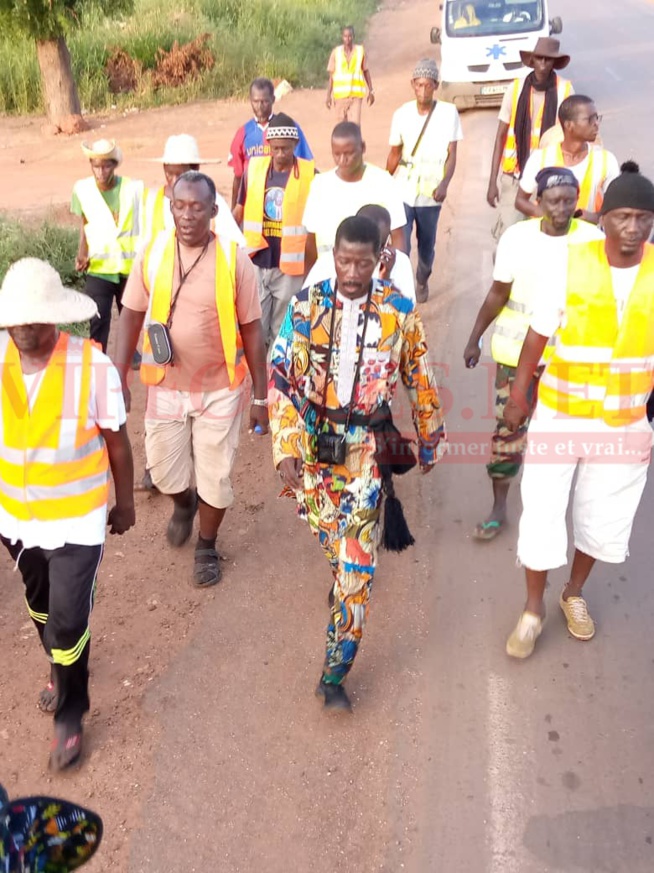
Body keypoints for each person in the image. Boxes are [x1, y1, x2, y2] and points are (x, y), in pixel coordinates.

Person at [269, 216, 446, 710]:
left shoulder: (399, 311)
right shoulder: (306, 306)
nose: (351, 271)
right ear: (334, 255)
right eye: (344, 260)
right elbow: (281, 375)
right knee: (333, 543)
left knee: (356, 573)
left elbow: (421, 376)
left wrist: (430, 435)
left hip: (368, 451)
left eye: (362, 262)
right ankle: (341, 567)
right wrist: (285, 445)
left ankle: (333, 675)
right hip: (313, 447)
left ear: (378, 260)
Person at [503, 163, 654, 659]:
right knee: (543, 509)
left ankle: (573, 594)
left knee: (604, 516)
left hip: (626, 422)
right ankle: (532, 610)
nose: (633, 228)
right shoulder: (572, 263)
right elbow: (537, 335)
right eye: (624, 217)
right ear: (604, 218)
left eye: (644, 219)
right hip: (562, 415)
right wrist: (518, 395)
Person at [0, 258, 135, 770]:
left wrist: (124, 504)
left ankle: (71, 713)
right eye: (17, 319)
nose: (25, 328)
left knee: (68, 617)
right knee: (42, 611)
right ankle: (60, 663)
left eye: (36, 318)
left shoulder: (90, 365)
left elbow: (117, 444)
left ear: (55, 317)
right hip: (15, 521)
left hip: (78, 520)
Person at [114, 172, 268, 589]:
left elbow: (253, 329)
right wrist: (118, 377)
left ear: (213, 212)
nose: (187, 215)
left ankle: (207, 544)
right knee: (164, 473)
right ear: (170, 208)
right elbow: (129, 315)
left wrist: (261, 397)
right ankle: (184, 503)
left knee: (215, 476)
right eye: (180, 206)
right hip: (165, 385)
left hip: (219, 388)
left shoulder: (235, 260)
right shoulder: (155, 252)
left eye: (197, 207)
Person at [463, 167, 604, 541]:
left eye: (569, 200)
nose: (562, 208)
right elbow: (498, 293)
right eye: (554, 200)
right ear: (537, 202)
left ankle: (555, 510)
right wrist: (474, 337)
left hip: (570, 361)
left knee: (565, 438)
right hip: (515, 357)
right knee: (509, 432)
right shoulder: (516, 238)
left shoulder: (592, 239)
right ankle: (498, 508)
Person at [234, 114, 315, 346]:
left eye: (286, 149)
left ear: (295, 146)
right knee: (255, 325)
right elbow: (240, 208)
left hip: (290, 268)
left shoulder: (311, 175)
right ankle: (260, 374)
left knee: (283, 328)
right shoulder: (254, 169)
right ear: (268, 144)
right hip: (257, 261)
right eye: (276, 148)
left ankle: (275, 377)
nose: (280, 154)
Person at [386, 58, 462, 302]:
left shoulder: (449, 113)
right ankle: (403, 291)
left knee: (426, 248)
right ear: (412, 85)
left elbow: (452, 154)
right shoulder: (401, 114)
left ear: (435, 86)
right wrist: (382, 184)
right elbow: (394, 154)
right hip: (403, 190)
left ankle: (422, 277)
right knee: (402, 246)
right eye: (418, 85)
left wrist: (444, 184)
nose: (423, 90)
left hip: (431, 195)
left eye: (428, 85)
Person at [487, 38, 574, 242]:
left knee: (545, 240)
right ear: (532, 60)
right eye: (539, 58)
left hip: (549, 181)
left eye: (548, 60)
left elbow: (572, 136)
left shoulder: (565, 90)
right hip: (515, 179)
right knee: (508, 239)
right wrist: (492, 181)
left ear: (554, 63)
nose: (543, 63)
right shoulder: (516, 89)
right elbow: (500, 136)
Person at [71, 139, 144, 358]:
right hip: (99, 267)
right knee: (98, 318)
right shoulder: (82, 189)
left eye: (106, 166)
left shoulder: (133, 189)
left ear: (114, 165)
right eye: (96, 165)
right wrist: (82, 251)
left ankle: (130, 353)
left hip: (127, 267)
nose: (101, 171)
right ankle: (97, 359)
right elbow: (85, 222)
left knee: (129, 316)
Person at [302, 122, 407, 273]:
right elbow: (310, 243)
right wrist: (309, 281)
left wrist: (396, 274)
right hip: (328, 277)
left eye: (349, 153)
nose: (342, 160)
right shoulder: (320, 185)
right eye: (337, 154)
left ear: (363, 148)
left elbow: (397, 236)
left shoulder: (383, 182)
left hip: (369, 278)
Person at [516, 95, 620, 223]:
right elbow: (520, 201)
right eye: (590, 119)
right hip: (549, 239)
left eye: (597, 118)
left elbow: (617, 206)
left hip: (587, 240)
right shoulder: (540, 158)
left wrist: (597, 217)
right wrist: (548, 216)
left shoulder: (606, 160)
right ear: (569, 125)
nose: (596, 124)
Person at [143, 134, 245, 246]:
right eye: (169, 174)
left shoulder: (211, 199)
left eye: (180, 175)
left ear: (195, 169)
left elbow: (234, 242)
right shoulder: (152, 201)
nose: (174, 181)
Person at [228, 78, 313, 209]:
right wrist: (233, 209)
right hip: (253, 202)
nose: (260, 106)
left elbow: (305, 167)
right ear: (250, 100)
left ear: (273, 99)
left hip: (286, 199)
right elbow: (238, 177)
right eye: (256, 101)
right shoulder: (243, 133)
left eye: (265, 101)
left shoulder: (288, 128)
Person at [305, 204, 416, 302]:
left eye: (379, 245)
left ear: (387, 241)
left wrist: (385, 281)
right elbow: (306, 305)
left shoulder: (400, 263)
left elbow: (404, 315)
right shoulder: (327, 262)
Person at [326, 25, 375, 126]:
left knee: (355, 127)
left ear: (353, 37)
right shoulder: (336, 53)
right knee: (340, 129)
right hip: (340, 98)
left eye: (350, 36)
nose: (347, 39)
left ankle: (356, 142)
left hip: (355, 97)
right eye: (345, 36)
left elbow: (366, 71)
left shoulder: (360, 51)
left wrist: (371, 91)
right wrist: (328, 96)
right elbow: (332, 77)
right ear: (342, 37)